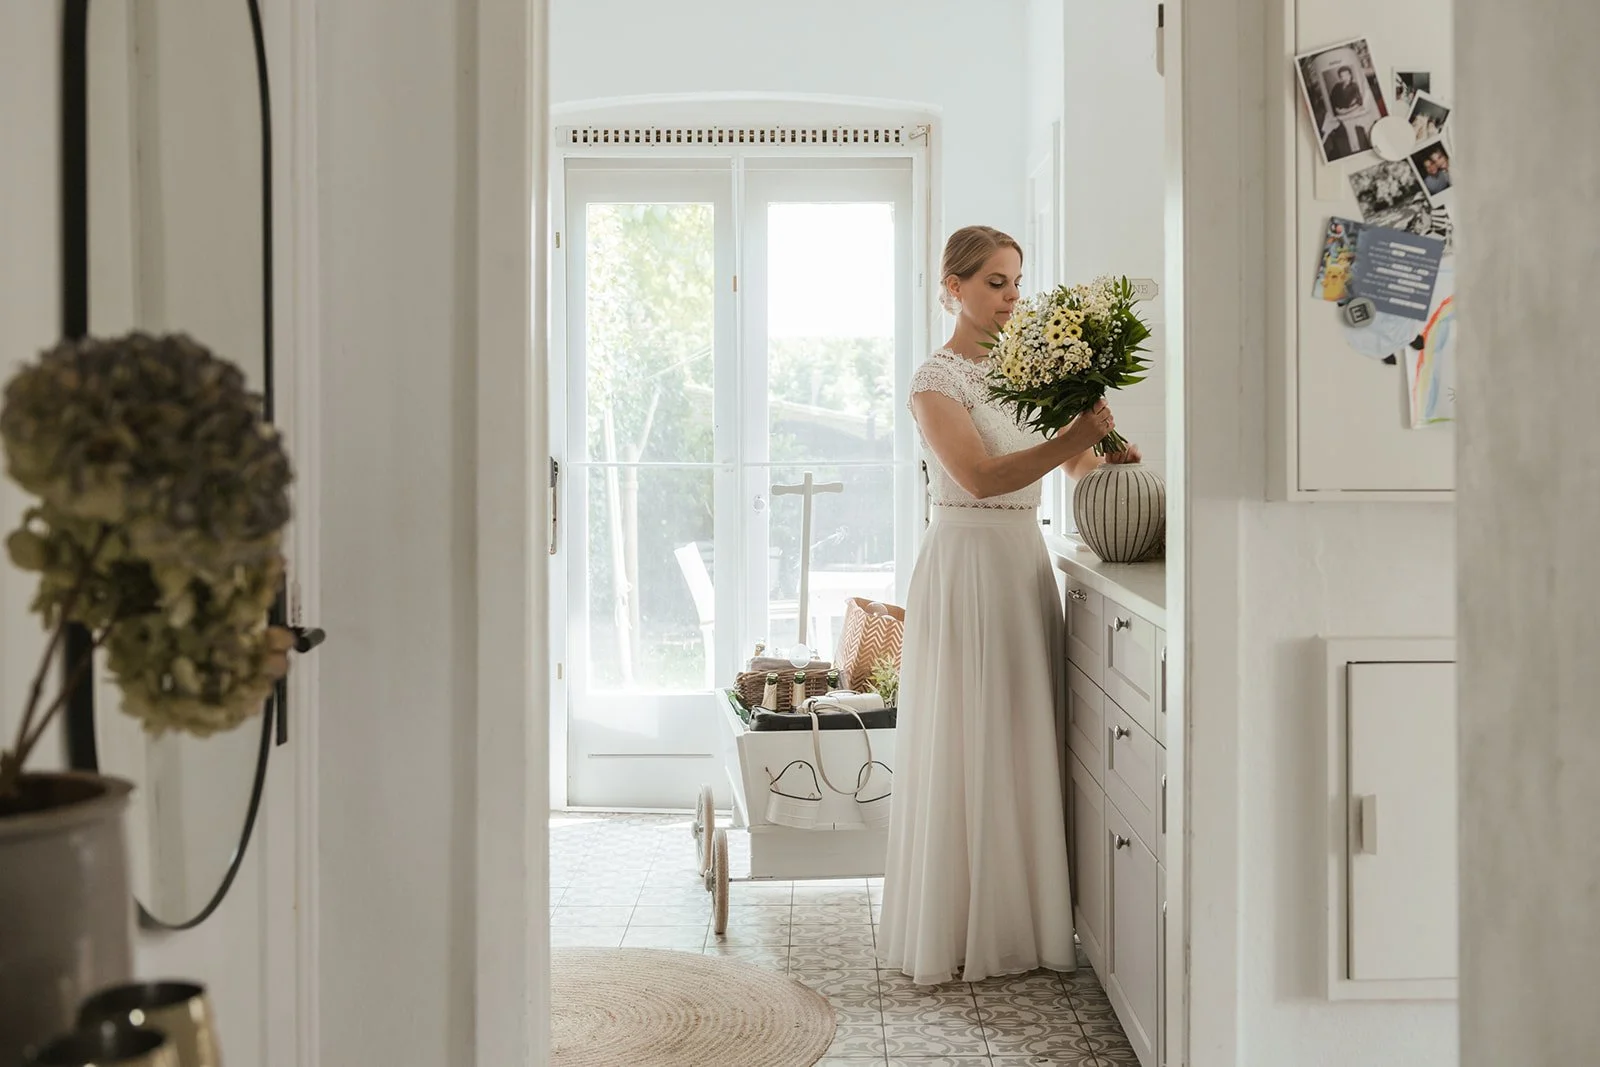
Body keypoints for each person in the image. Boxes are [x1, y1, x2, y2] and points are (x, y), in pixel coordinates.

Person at [879, 225, 1141, 985]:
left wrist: (1110, 453)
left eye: (1017, 281)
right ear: (952, 286)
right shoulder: (937, 381)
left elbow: (1079, 463)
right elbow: (982, 477)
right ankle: (961, 926)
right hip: (966, 563)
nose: (1011, 297)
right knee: (969, 736)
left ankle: (1023, 922)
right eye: (995, 282)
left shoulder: (1028, 369)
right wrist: (1074, 438)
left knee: (1024, 733)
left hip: (1023, 561)